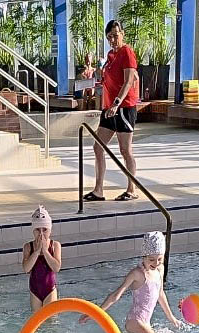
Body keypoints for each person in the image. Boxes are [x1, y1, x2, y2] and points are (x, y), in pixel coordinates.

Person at [87, 231, 180, 333]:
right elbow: (116, 295)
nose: (156, 263)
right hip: (134, 322)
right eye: (151, 259)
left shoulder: (160, 269)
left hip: (146, 322)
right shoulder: (137, 274)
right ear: (144, 256)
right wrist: (96, 312)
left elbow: (160, 294)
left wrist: (171, 318)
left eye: (160, 259)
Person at [83, 20, 140, 203]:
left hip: (123, 107)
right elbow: (108, 82)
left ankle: (132, 189)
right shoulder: (110, 55)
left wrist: (116, 103)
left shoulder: (127, 52)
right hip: (109, 108)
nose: (113, 40)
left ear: (122, 34)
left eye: (116, 35)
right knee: (98, 147)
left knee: (125, 150)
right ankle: (98, 190)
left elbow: (129, 81)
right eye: (109, 37)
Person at [21, 205, 62, 311]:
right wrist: (37, 251)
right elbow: (26, 269)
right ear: (33, 231)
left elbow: (56, 268)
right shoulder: (28, 247)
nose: (41, 233)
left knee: (51, 319)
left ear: (50, 230)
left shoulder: (55, 245)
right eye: (37, 230)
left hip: (50, 290)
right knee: (37, 318)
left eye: (44, 230)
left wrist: (45, 251)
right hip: (34, 291)